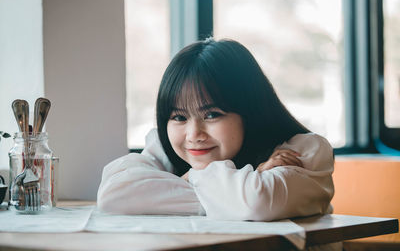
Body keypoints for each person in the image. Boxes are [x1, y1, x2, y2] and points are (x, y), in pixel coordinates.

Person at [97, 38, 335, 221]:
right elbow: (114, 194)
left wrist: (178, 184)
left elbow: (257, 201)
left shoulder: (306, 151)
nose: (193, 135)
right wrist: (212, 189)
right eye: (179, 117)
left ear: (250, 110)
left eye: (212, 114)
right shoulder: (166, 146)